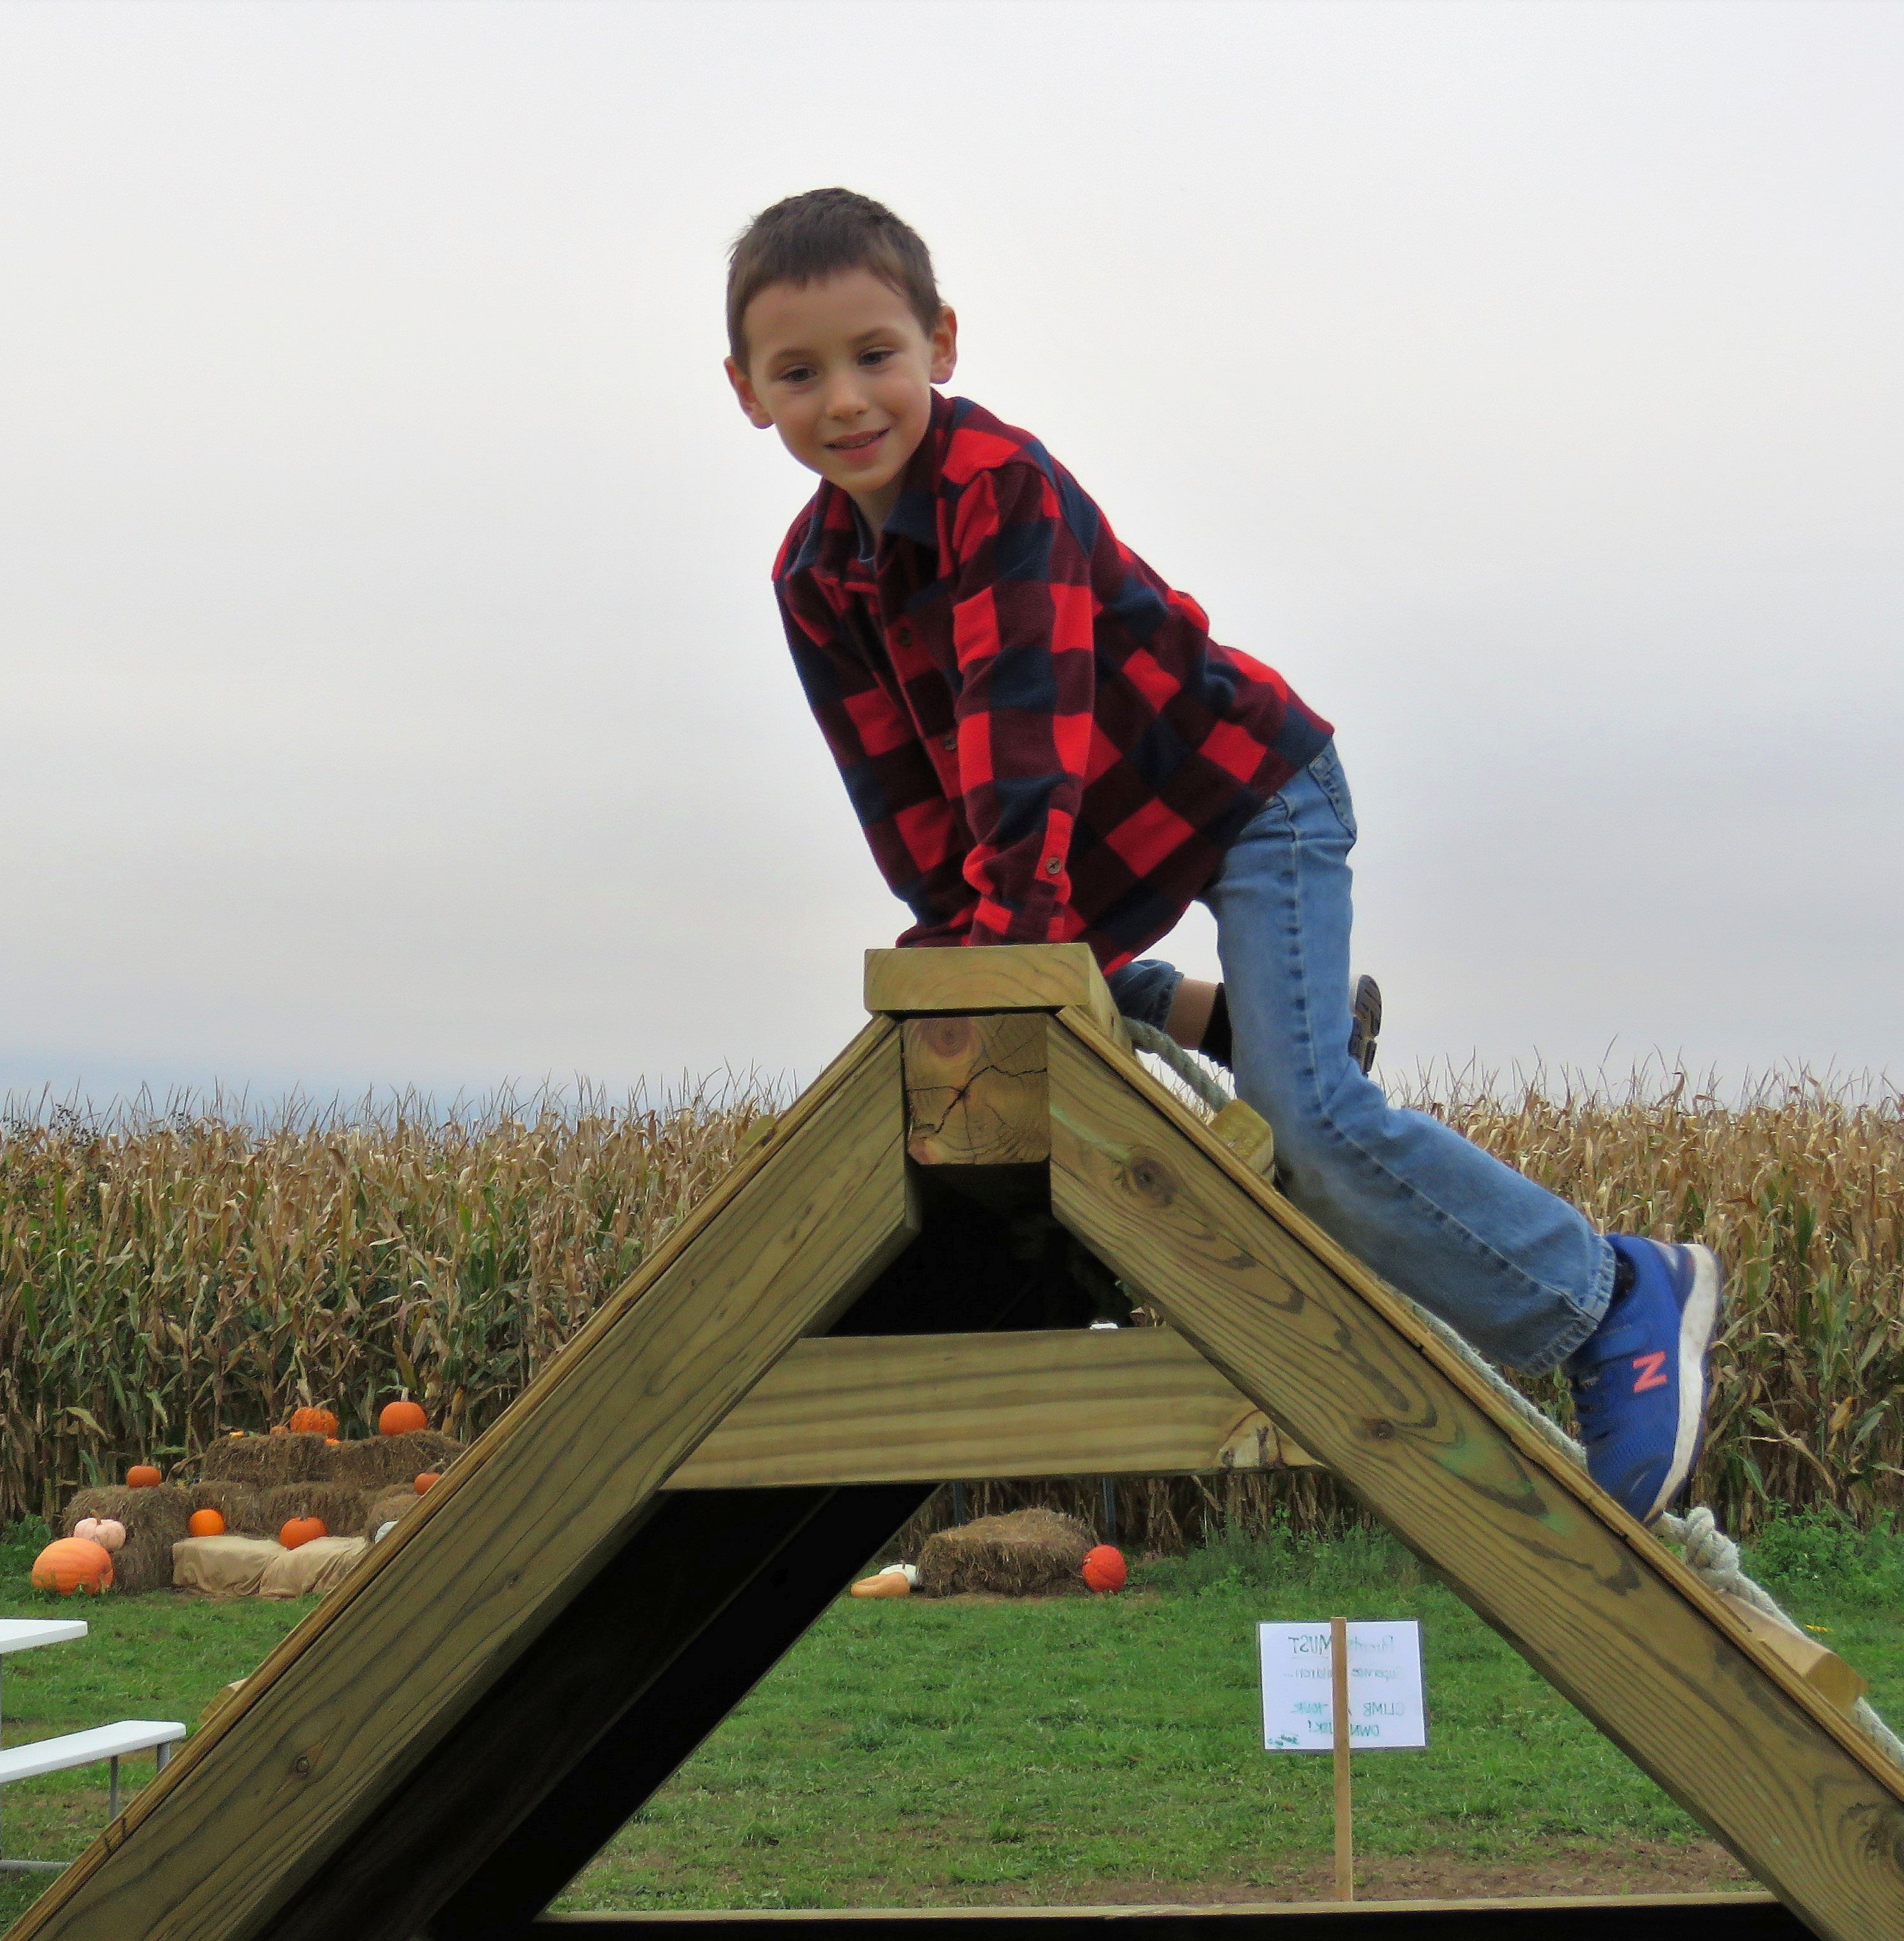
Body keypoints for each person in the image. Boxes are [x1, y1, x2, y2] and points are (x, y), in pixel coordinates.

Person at [721, 189, 1724, 1521]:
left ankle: (1609, 1293)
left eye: (874, 355)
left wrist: (1004, 939)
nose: (846, 399)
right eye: (800, 373)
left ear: (941, 343)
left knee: (1306, 1123)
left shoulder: (996, 490)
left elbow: (1023, 732)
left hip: (1251, 791)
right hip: (1102, 839)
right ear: (747, 392)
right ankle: (1221, 1013)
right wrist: (957, 945)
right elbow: (899, 789)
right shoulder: (812, 575)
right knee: (977, 964)